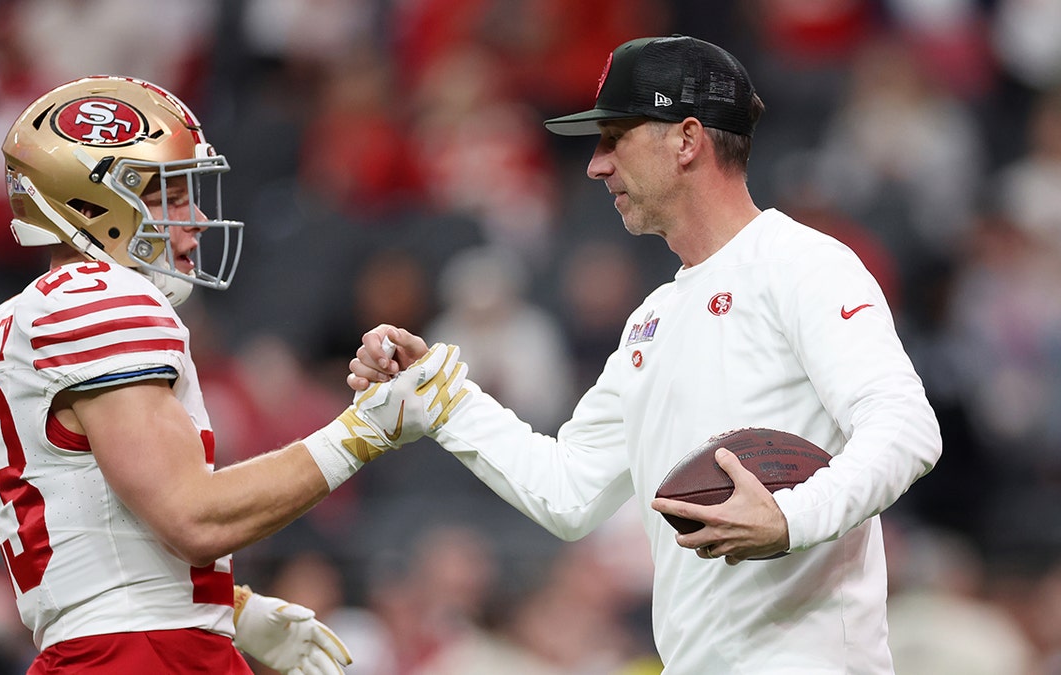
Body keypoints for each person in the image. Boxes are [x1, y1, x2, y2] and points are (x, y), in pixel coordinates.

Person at [347, 35, 943, 673]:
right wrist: (438, 396)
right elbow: (569, 491)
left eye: (615, 137)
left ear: (687, 140)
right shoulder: (651, 320)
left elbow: (907, 429)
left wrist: (788, 517)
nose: (595, 165)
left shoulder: (804, 264)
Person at [0, 75, 466, 674]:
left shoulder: (20, 316)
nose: (198, 220)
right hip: (143, 655)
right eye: (171, 197)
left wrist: (227, 606)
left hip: (105, 649)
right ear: (92, 205)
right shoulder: (107, 300)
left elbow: (94, 521)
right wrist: (362, 431)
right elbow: (191, 517)